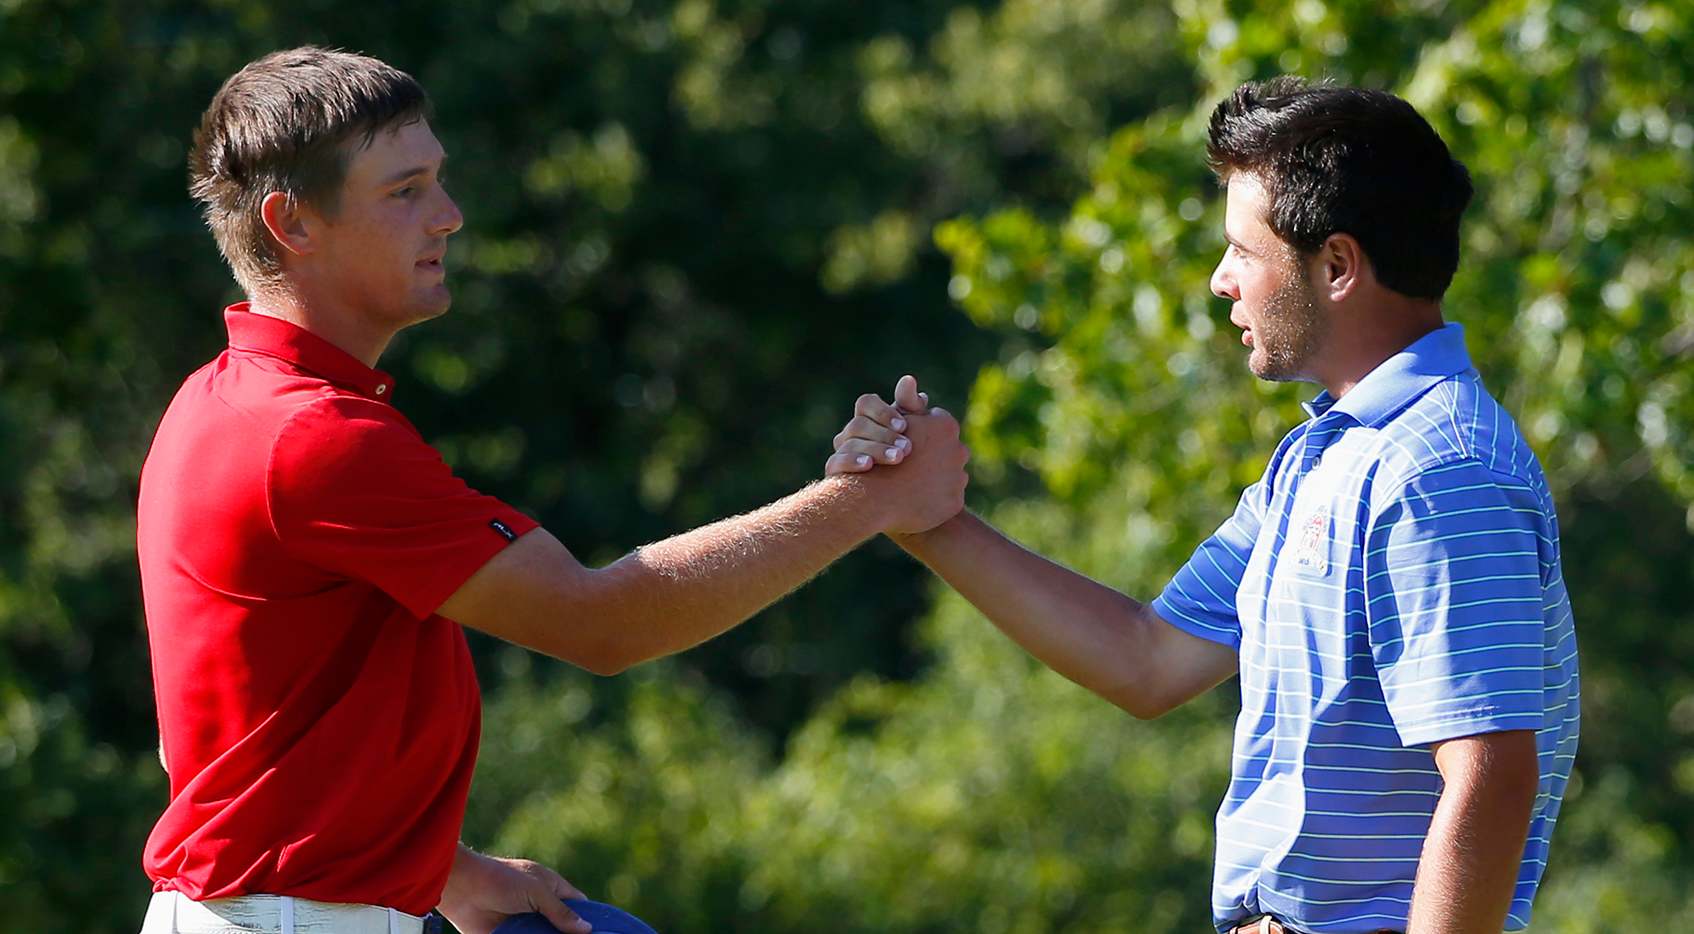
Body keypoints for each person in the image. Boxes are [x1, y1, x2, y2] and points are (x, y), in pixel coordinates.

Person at [135, 46, 969, 934]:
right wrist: (869, 501)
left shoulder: (217, 403)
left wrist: (439, 870)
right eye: (405, 191)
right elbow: (600, 621)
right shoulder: (315, 438)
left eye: (440, 182)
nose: (449, 217)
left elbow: (225, 749)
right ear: (291, 224)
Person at [831, 77, 1579, 934]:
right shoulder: (1321, 456)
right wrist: (927, 522)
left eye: (1242, 252)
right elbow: (1146, 659)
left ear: (1336, 266)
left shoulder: (1441, 470)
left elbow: (1491, 772)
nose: (1221, 281)